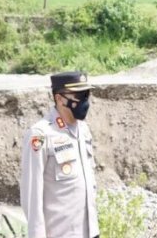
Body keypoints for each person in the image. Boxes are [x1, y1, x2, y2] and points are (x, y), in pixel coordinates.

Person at [20, 71, 99, 238]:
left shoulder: (83, 130)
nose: (85, 100)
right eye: (79, 95)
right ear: (59, 98)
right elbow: (31, 195)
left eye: (86, 94)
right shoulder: (40, 134)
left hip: (90, 232)